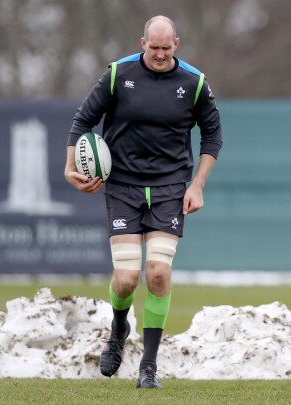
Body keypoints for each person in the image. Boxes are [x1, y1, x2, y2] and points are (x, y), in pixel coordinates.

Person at [64, 15, 223, 388]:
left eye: (167, 49)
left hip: (169, 187)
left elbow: (213, 136)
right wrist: (70, 166)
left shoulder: (194, 82)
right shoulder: (119, 74)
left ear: (176, 44)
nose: (160, 55)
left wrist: (197, 185)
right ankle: (119, 328)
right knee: (124, 280)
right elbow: (83, 120)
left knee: (158, 274)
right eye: (154, 48)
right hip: (122, 186)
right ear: (143, 42)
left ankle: (148, 366)